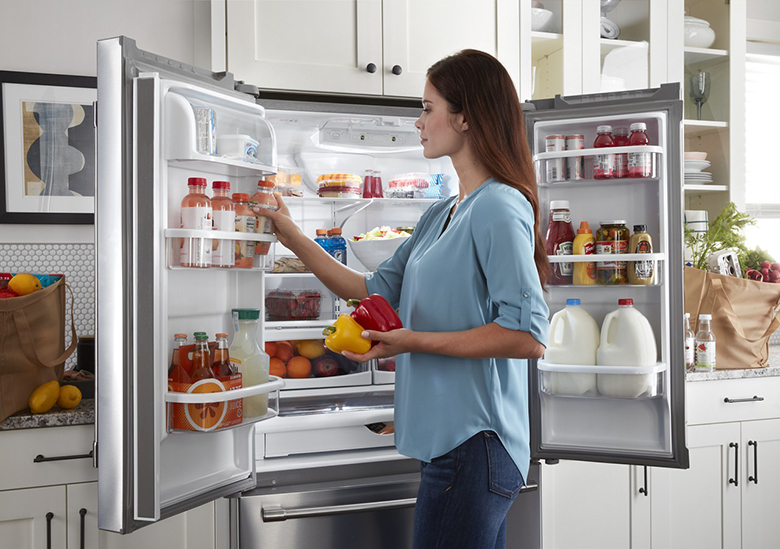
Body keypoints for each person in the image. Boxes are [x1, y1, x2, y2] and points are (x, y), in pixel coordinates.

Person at [255, 49, 550, 549]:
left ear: (465, 117)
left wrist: (412, 340)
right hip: (448, 445)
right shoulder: (443, 213)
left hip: (475, 442)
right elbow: (367, 290)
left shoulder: (499, 206)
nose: (418, 121)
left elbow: (526, 336)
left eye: (428, 108)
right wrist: (289, 233)